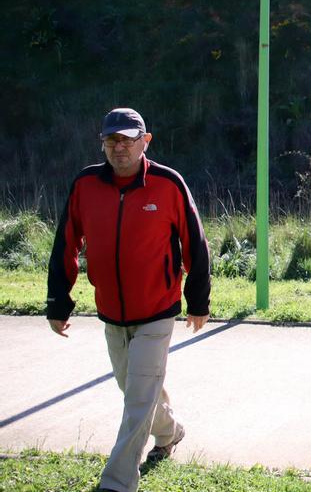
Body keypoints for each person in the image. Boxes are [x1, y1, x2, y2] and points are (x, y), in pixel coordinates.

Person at [46, 107, 211, 492]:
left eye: (127, 139)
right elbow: (66, 242)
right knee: (133, 386)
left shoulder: (168, 184)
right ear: (103, 143)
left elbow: (195, 243)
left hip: (158, 310)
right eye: (112, 140)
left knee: (137, 396)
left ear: (145, 141)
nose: (119, 148)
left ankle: (117, 481)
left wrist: (198, 300)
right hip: (111, 312)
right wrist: (58, 301)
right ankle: (171, 432)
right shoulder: (86, 184)